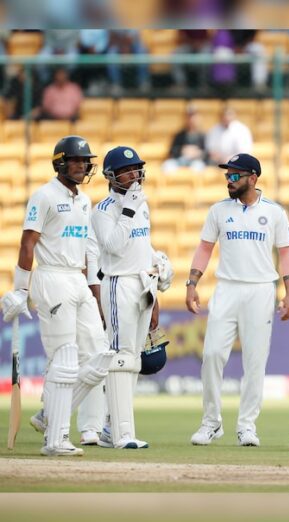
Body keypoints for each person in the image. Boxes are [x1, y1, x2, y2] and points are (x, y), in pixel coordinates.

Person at [1, 136, 113, 456]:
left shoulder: (84, 201)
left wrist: (93, 291)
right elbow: (27, 243)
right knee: (64, 358)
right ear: (60, 163)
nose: (82, 166)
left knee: (100, 357)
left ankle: (48, 416)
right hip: (51, 277)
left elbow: (88, 250)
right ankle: (56, 439)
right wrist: (21, 290)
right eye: (76, 160)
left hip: (77, 279)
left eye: (85, 161)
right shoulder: (44, 196)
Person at [187, 153, 289, 447]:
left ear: (253, 178)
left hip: (261, 290)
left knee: (254, 362)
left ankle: (247, 426)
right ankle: (211, 423)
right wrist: (192, 283)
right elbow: (204, 248)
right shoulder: (219, 211)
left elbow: (286, 253)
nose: (229, 180)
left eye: (235, 176)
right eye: (227, 175)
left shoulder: (274, 212)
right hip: (226, 288)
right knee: (212, 355)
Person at [91, 146, 174, 449]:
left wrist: (158, 267)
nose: (133, 175)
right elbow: (113, 246)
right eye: (126, 171)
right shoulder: (103, 210)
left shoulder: (141, 202)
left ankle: (111, 426)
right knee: (120, 356)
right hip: (118, 284)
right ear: (111, 176)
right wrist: (128, 210)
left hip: (141, 283)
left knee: (134, 359)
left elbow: (141, 245)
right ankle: (120, 433)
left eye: (136, 169)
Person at [162, 107, 208, 173]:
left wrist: (197, 153)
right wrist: (182, 150)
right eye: (189, 116)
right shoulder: (179, 135)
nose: (191, 119)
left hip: (195, 161)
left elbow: (207, 153)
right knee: (167, 165)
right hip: (180, 160)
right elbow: (171, 151)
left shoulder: (202, 135)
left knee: (198, 167)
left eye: (193, 116)